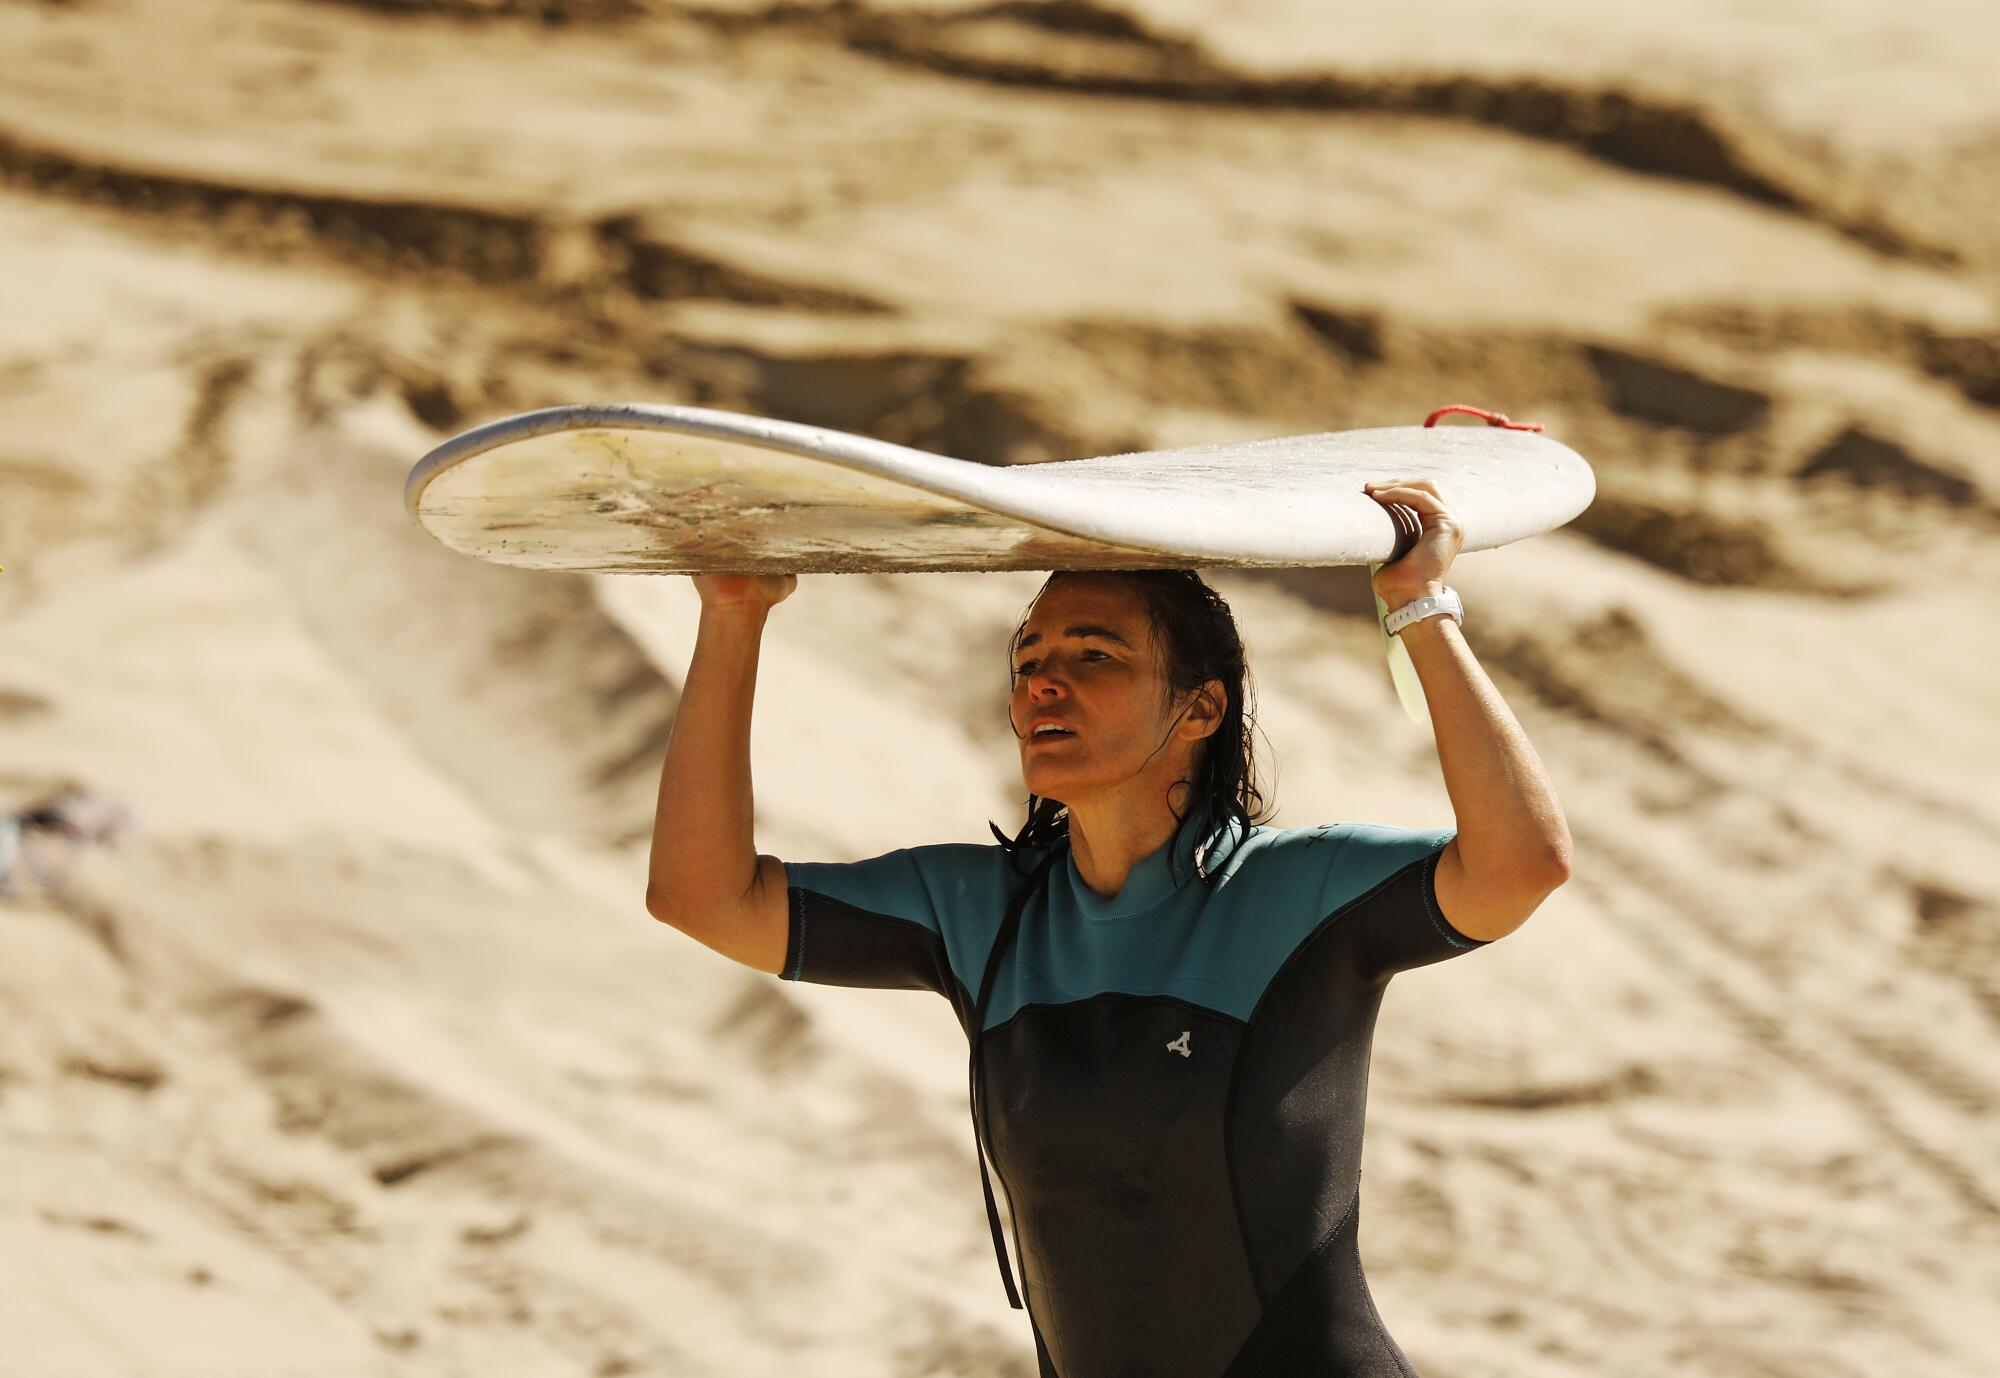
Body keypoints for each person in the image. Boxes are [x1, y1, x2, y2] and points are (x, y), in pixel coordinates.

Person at [646, 476, 1573, 1376]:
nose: (1046, 683)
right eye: (1029, 660)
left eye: (1095, 656)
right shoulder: (980, 912)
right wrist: (733, 615)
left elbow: (1519, 864)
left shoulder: (1291, 892)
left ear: (1201, 707)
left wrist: (1420, 607)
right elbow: (704, 897)